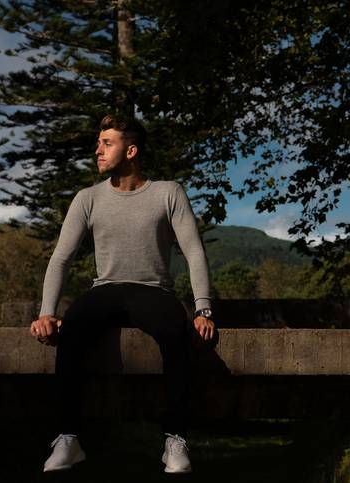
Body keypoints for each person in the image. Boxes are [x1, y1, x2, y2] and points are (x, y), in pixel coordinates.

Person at [29, 114, 216, 473]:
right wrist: (46, 311)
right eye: (98, 143)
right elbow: (61, 257)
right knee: (73, 328)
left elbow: (193, 251)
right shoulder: (88, 198)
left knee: (176, 332)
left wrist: (203, 309)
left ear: (131, 150)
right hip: (106, 290)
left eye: (106, 143)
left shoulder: (168, 192)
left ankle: (175, 440)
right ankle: (68, 438)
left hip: (153, 292)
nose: (97, 150)